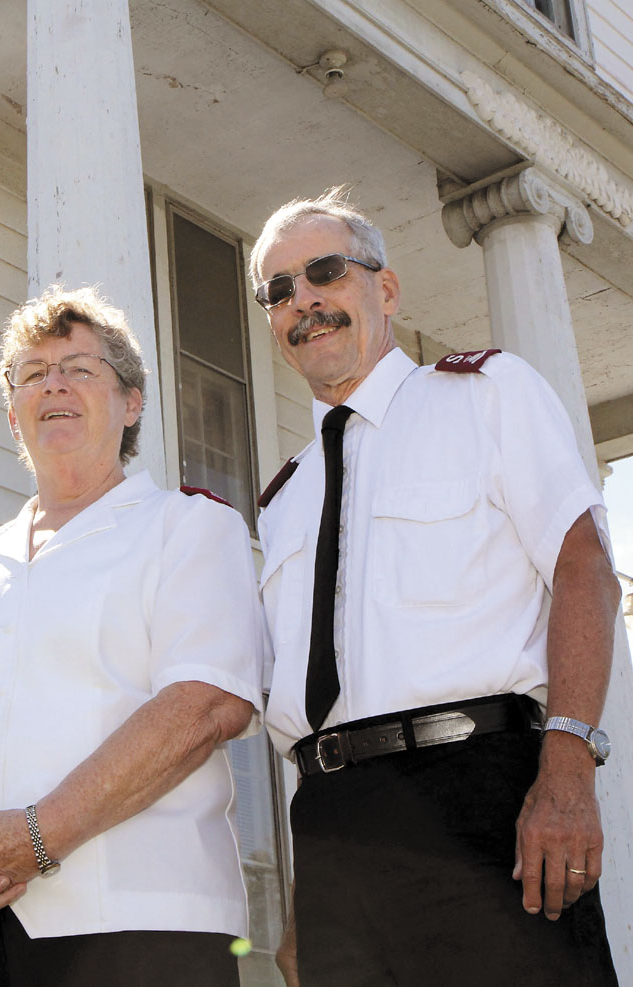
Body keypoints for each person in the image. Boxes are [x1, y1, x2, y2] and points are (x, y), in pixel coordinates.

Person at [249, 189, 620, 986]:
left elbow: (584, 565)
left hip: (481, 798)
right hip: (333, 825)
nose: (303, 300)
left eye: (324, 271)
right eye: (278, 290)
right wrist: (303, 890)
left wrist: (568, 769)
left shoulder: (487, 395)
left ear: (384, 290)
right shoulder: (283, 501)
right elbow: (307, 706)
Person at [0, 285, 265, 987]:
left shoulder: (188, 528)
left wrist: (34, 837)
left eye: (79, 367)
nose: (52, 382)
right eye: (31, 372)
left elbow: (206, 704)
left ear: (132, 401)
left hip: (135, 924)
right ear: (13, 411)